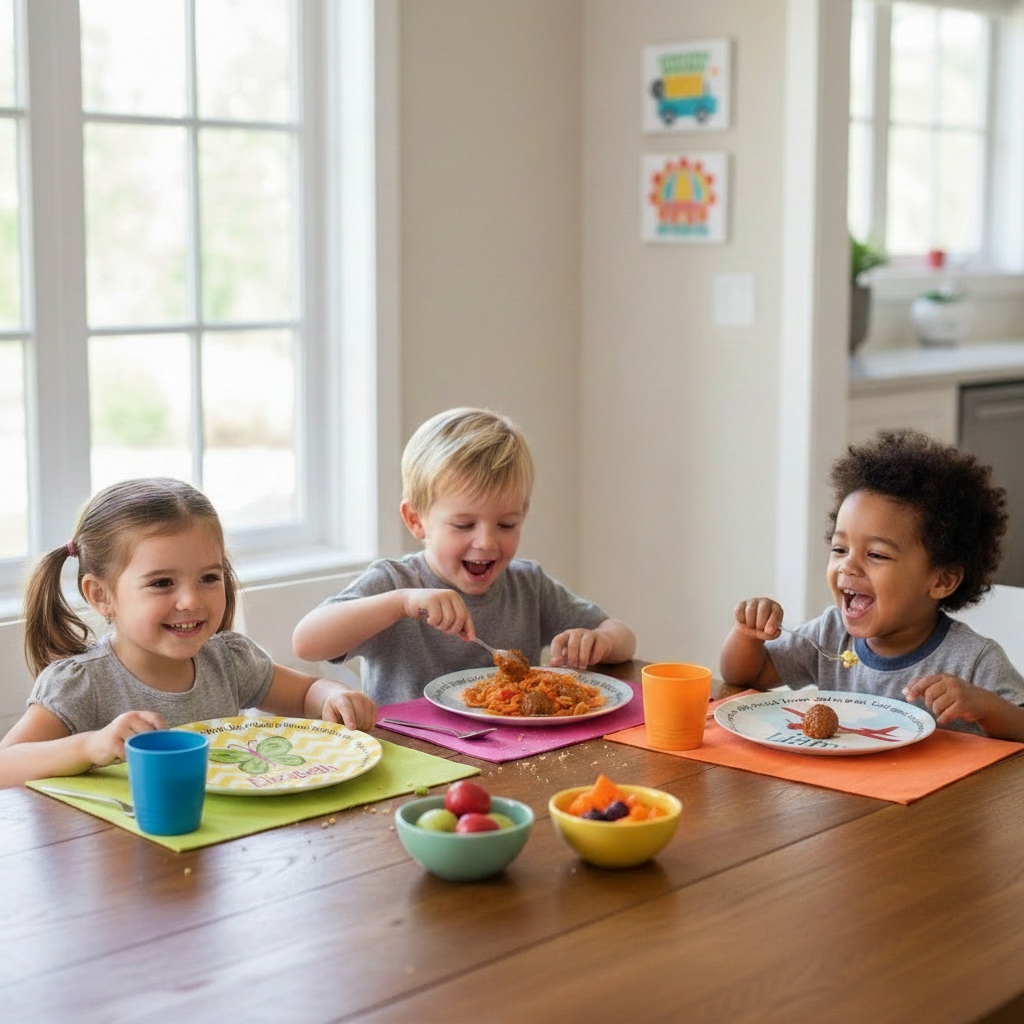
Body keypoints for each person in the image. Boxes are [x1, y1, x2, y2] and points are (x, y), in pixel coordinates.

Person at [0, 478, 377, 788]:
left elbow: (306, 693)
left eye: (209, 578)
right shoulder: (82, 685)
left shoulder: (228, 660)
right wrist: (90, 746)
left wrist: (335, 695)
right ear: (101, 596)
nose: (190, 600)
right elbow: (6, 766)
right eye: (162, 582)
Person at [292, 407, 636, 705]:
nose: (486, 542)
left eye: (506, 524)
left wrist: (600, 641)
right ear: (416, 520)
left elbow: (622, 636)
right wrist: (400, 604)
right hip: (415, 763)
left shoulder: (528, 586)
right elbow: (306, 642)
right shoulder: (396, 585)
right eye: (463, 524)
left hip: (516, 761)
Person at [720, 429, 1024, 741]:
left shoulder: (972, 659)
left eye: (876, 554)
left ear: (942, 580)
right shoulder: (830, 636)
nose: (847, 565)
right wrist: (748, 634)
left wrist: (985, 706)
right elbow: (745, 675)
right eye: (839, 549)